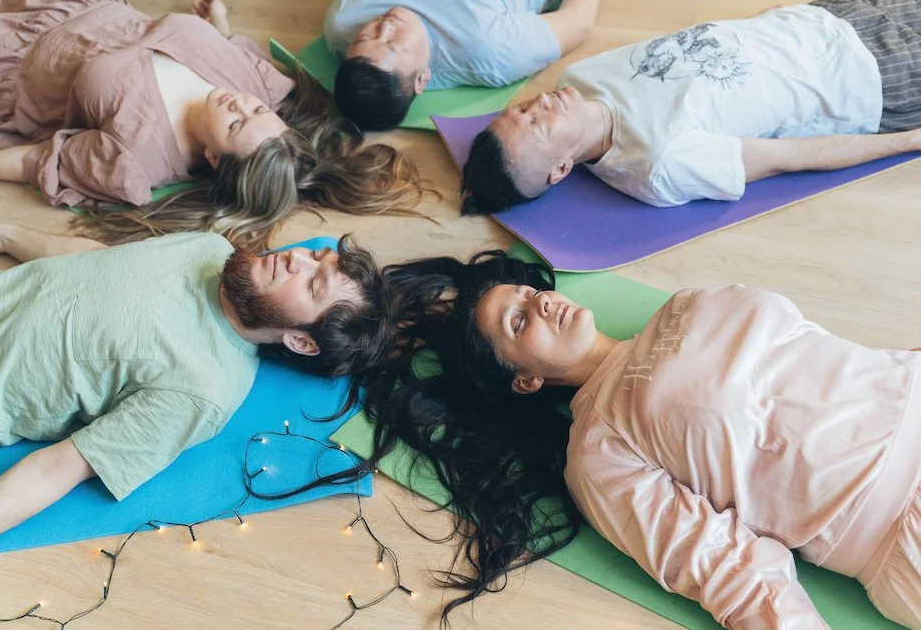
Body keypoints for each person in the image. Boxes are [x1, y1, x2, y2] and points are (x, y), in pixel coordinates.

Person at [339, 251, 921, 629]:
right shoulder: (597, 451)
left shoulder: (684, 303)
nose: (541, 301)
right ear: (525, 380)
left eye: (527, 293)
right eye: (518, 322)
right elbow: (727, 567)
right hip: (899, 520)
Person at [0, 214, 399, 581]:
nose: (298, 259)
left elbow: (58, 468)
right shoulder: (209, 248)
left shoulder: (201, 391)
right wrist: (6, 235)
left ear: (301, 341)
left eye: (313, 284)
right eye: (318, 257)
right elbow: (101, 260)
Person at [0, 0, 422, 249]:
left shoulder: (136, 161)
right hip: (76, 3)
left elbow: (38, 160)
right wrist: (219, 21)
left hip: (13, 58)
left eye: (236, 124)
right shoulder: (261, 86)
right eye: (253, 110)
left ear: (214, 158)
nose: (238, 103)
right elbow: (231, 50)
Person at [462, 0, 921, 214]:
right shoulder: (658, 164)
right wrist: (909, 141)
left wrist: (762, 22)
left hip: (823, 19)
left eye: (523, 108)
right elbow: (793, 157)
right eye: (538, 125)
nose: (541, 103)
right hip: (871, 76)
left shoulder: (578, 78)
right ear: (561, 168)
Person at [323, 0, 621, 131]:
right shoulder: (487, 52)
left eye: (365, 38)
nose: (385, 26)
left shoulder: (342, 25)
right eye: (394, 44)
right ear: (422, 79)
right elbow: (576, 24)